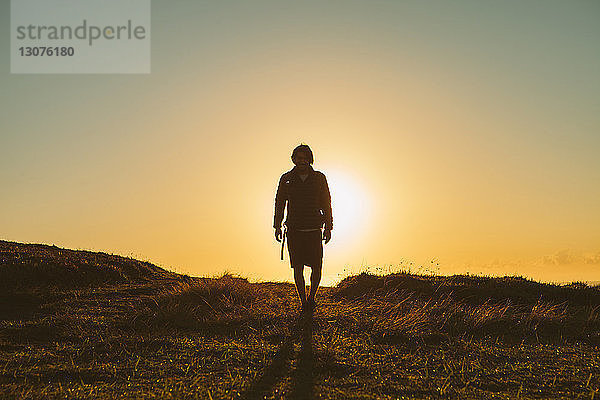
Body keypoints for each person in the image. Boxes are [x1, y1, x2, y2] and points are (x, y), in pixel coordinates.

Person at [274, 144, 333, 313]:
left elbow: (326, 203)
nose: (302, 161)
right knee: (297, 267)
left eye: (305, 158)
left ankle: (312, 297)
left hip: (314, 229)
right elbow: (279, 203)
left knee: (317, 267)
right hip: (294, 230)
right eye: (299, 158)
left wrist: (329, 227)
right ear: (294, 159)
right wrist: (277, 226)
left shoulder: (319, 178)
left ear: (310, 159)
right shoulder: (286, 179)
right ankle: (303, 301)